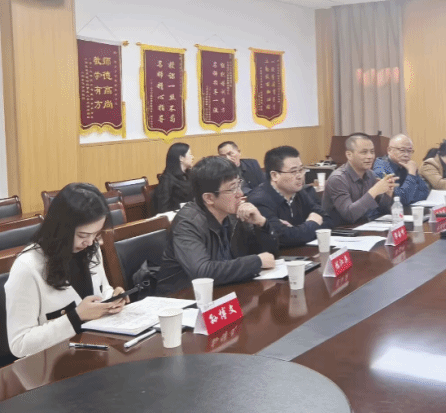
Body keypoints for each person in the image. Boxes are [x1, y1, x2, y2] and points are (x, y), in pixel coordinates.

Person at [5, 183, 127, 358]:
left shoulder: (91, 250)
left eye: (96, 234)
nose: (90, 242)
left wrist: (112, 298)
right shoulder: (28, 267)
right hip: (51, 364)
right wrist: (75, 317)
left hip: (93, 352)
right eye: (83, 235)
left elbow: (101, 290)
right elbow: (20, 344)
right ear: (61, 229)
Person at [155, 156, 278, 295]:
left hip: (223, 291)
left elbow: (269, 255)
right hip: (182, 298)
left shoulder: (232, 214)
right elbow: (202, 272)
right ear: (209, 198)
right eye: (232, 188)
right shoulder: (188, 222)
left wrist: (262, 224)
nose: (240, 193)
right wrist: (256, 262)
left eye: (239, 184)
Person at [248, 145, 333, 247]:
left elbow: (328, 220)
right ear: (274, 175)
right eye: (293, 171)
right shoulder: (260, 200)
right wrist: (312, 223)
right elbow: (283, 238)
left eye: (301, 169)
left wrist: (296, 231)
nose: (300, 176)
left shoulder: (299, 192)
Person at [322, 134, 397, 225]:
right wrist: (374, 191)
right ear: (349, 155)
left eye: (372, 152)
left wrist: (387, 194)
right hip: (340, 230)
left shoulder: (370, 174)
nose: (370, 156)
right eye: (364, 152)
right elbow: (349, 215)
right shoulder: (338, 179)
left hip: (364, 226)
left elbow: (382, 211)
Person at [372, 134, 430, 205]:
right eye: (402, 150)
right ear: (389, 150)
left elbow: (425, 192)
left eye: (409, 151)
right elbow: (401, 200)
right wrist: (411, 173)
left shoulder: (407, 165)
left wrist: (407, 197)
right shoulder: (381, 167)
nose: (406, 155)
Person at [153, 142, 194, 213]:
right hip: (178, 216)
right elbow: (163, 208)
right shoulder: (166, 179)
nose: (192, 157)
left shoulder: (190, 174)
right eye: (190, 154)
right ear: (181, 158)